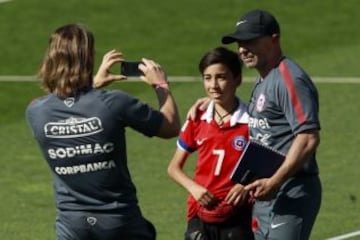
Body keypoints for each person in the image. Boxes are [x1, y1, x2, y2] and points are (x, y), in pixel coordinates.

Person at [25, 23, 180, 240]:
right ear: (88, 58)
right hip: (119, 221)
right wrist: (161, 85)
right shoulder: (114, 103)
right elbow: (170, 126)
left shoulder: (36, 112)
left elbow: (70, 107)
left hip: (72, 226)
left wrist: (93, 85)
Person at [190, 9, 322, 240]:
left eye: (250, 41)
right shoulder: (263, 82)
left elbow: (308, 137)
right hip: (264, 194)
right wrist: (212, 102)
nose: (242, 49)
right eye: (240, 42)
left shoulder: (289, 79)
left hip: (290, 189)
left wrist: (275, 181)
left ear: (274, 39)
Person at [167, 47, 254, 240]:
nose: (213, 85)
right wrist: (194, 188)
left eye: (221, 77)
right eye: (207, 78)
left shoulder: (251, 123)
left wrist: (244, 186)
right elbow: (173, 168)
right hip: (199, 214)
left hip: (238, 216)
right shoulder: (197, 117)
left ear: (237, 79)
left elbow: (264, 166)